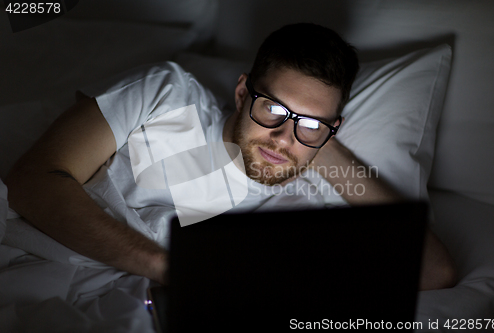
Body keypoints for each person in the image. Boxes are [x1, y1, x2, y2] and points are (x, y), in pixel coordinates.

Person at [4, 23, 457, 290]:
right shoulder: (167, 94)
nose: (281, 136)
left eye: (312, 121)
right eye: (274, 109)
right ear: (243, 93)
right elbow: (33, 181)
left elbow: (433, 270)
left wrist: (311, 139)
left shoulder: (305, 192)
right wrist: (171, 268)